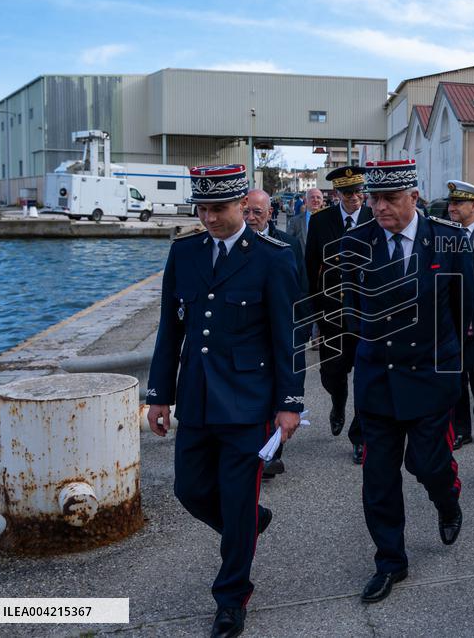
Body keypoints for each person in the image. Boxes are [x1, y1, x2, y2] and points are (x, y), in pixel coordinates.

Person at [145, 164, 304, 638]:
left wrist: (290, 403)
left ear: (242, 205)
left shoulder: (273, 257)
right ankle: (251, 523)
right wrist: (159, 395)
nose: (209, 218)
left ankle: (231, 599)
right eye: (203, 209)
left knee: (235, 501)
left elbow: (288, 336)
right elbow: (170, 329)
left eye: (218, 208)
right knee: (190, 490)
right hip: (196, 398)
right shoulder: (185, 253)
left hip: (248, 403)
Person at [340, 159, 474, 604]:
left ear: (413, 197)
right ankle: (390, 560)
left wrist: (455, 368)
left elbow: (465, 308)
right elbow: (350, 308)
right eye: (375, 198)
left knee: (428, 465)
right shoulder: (356, 242)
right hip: (378, 378)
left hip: (431, 377)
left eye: (390, 198)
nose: (380, 207)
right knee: (378, 479)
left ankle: (448, 501)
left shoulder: (448, 240)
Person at [305, 168, 373, 463]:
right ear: (337, 194)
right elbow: (311, 267)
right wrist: (313, 314)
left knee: (366, 378)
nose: (354, 197)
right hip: (331, 314)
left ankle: (360, 437)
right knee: (332, 374)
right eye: (348, 192)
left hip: (366, 314)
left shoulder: (374, 218)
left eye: (358, 191)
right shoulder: (321, 221)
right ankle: (338, 402)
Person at [243, 188, 310, 479]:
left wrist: (304, 328)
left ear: (270, 213)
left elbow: (302, 289)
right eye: (246, 211)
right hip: (252, 336)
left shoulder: (288, 244)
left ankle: (272, 453)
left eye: (257, 212)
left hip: (282, 331)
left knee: (280, 391)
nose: (250, 217)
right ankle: (260, 451)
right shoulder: (237, 244)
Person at [446, 179, 474, 448]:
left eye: (458, 203)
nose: (452, 207)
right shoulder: (444, 235)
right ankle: (462, 429)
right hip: (451, 319)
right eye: (451, 203)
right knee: (457, 376)